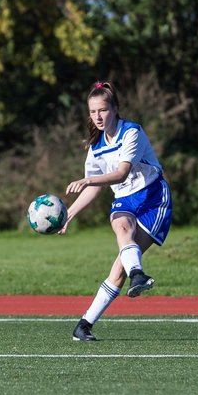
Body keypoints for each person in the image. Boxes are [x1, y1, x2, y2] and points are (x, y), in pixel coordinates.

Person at [60, 81, 172, 341]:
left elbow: (120, 173)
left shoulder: (132, 132)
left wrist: (87, 180)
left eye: (102, 110)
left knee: (119, 268)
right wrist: (69, 213)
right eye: (92, 112)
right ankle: (138, 275)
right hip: (125, 199)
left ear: (115, 109)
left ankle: (85, 324)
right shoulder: (96, 146)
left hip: (153, 198)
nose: (97, 117)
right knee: (121, 228)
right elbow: (95, 188)